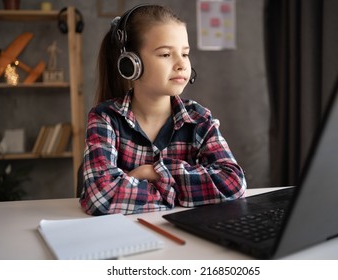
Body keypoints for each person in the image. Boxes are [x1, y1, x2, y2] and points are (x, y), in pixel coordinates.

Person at [79, 4, 247, 216]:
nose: (181, 64)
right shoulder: (105, 118)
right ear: (131, 63)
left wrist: (153, 172)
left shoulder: (199, 118)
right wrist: (180, 192)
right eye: (166, 54)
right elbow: (100, 196)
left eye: (185, 54)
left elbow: (233, 183)